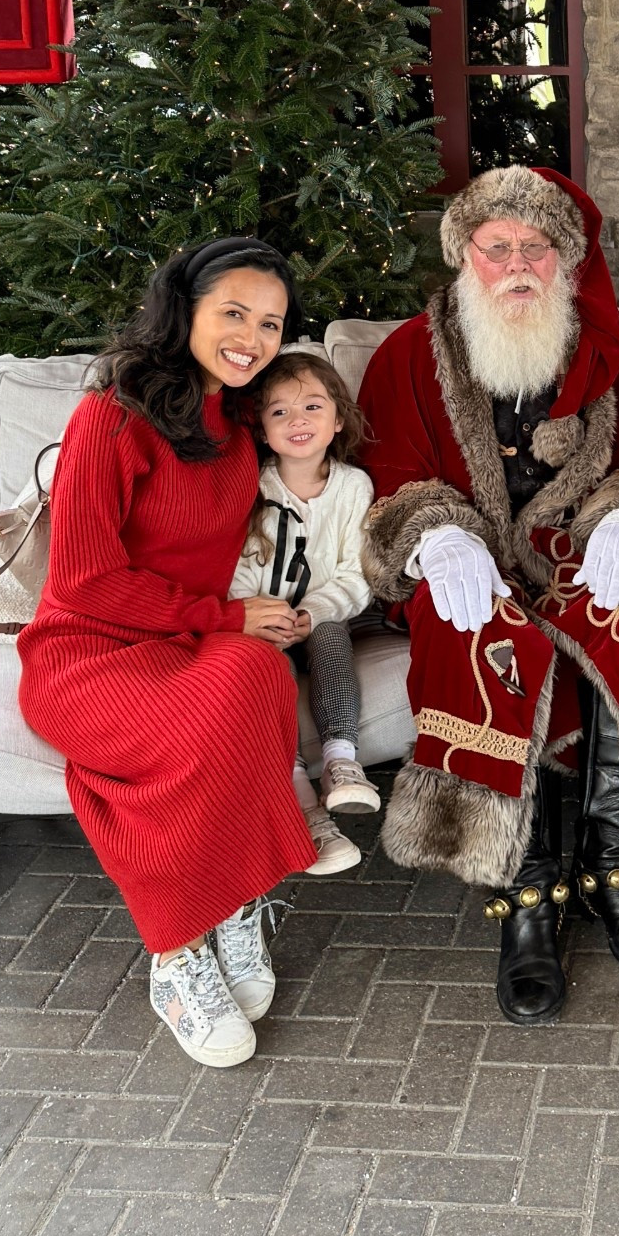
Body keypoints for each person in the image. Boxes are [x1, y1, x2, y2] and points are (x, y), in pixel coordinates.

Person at [357, 165, 619, 1026]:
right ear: (466, 256)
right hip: (474, 560)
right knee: (474, 628)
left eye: (535, 246)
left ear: (565, 261)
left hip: (583, 554)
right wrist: (436, 533)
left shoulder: (613, 347)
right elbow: (390, 476)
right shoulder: (406, 354)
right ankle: (527, 894)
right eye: (496, 248)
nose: (517, 263)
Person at [17, 239, 318, 1069]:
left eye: (270, 323)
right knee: (204, 714)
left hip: (185, 640)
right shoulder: (110, 417)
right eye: (233, 313)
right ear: (182, 308)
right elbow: (83, 582)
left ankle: (236, 905)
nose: (251, 337)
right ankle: (179, 947)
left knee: (259, 673)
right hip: (89, 652)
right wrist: (221, 616)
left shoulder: (241, 427)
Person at [231, 350, 381, 874]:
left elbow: (355, 574)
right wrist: (260, 613)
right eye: (279, 412)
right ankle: (299, 791)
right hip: (258, 616)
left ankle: (341, 762)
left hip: (325, 614)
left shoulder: (352, 487)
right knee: (264, 666)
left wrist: (312, 612)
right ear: (263, 429)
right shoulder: (252, 483)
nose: (298, 421)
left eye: (313, 407)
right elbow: (239, 562)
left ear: (337, 418)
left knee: (332, 638)